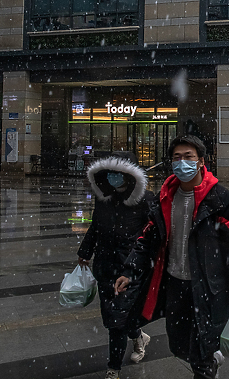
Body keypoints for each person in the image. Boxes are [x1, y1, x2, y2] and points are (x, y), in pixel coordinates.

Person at [114, 135, 229, 379]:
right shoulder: (164, 198)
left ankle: (207, 363)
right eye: (177, 158)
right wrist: (129, 270)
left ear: (201, 161)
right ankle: (211, 357)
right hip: (174, 283)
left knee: (201, 349)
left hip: (209, 286)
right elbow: (147, 239)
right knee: (178, 345)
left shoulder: (219, 199)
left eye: (188, 157)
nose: (182, 162)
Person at [77, 153, 154, 379]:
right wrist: (85, 251)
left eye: (117, 174)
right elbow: (95, 226)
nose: (113, 178)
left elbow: (152, 234)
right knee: (114, 315)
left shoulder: (145, 200)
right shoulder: (103, 199)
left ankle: (114, 368)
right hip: (105, 266)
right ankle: (138, 336)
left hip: (130, 269)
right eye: (109, 174)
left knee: (116, 320)